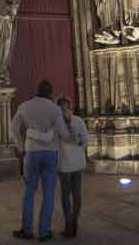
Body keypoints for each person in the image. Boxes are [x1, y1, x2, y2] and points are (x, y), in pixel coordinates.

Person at [10, 80, 70, 242]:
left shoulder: (24, 106)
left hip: (31, 152)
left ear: (36, 91)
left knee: (29, 192)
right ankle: (44, 232)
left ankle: (27, 230)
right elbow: (64, 134)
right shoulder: (55, 109)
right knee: (49, 193)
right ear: (50, 93)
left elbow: (13, 129)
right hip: (50, 154)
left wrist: (21, 147)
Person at [57, 97, 88, 238]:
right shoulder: (79, 121)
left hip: (64, 164)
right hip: (77, 162)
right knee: (77, 194)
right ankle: (74, 221)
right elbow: (85, 141)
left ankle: (69, 223)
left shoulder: (56, 123)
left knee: (65, 195)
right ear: (71, 107)